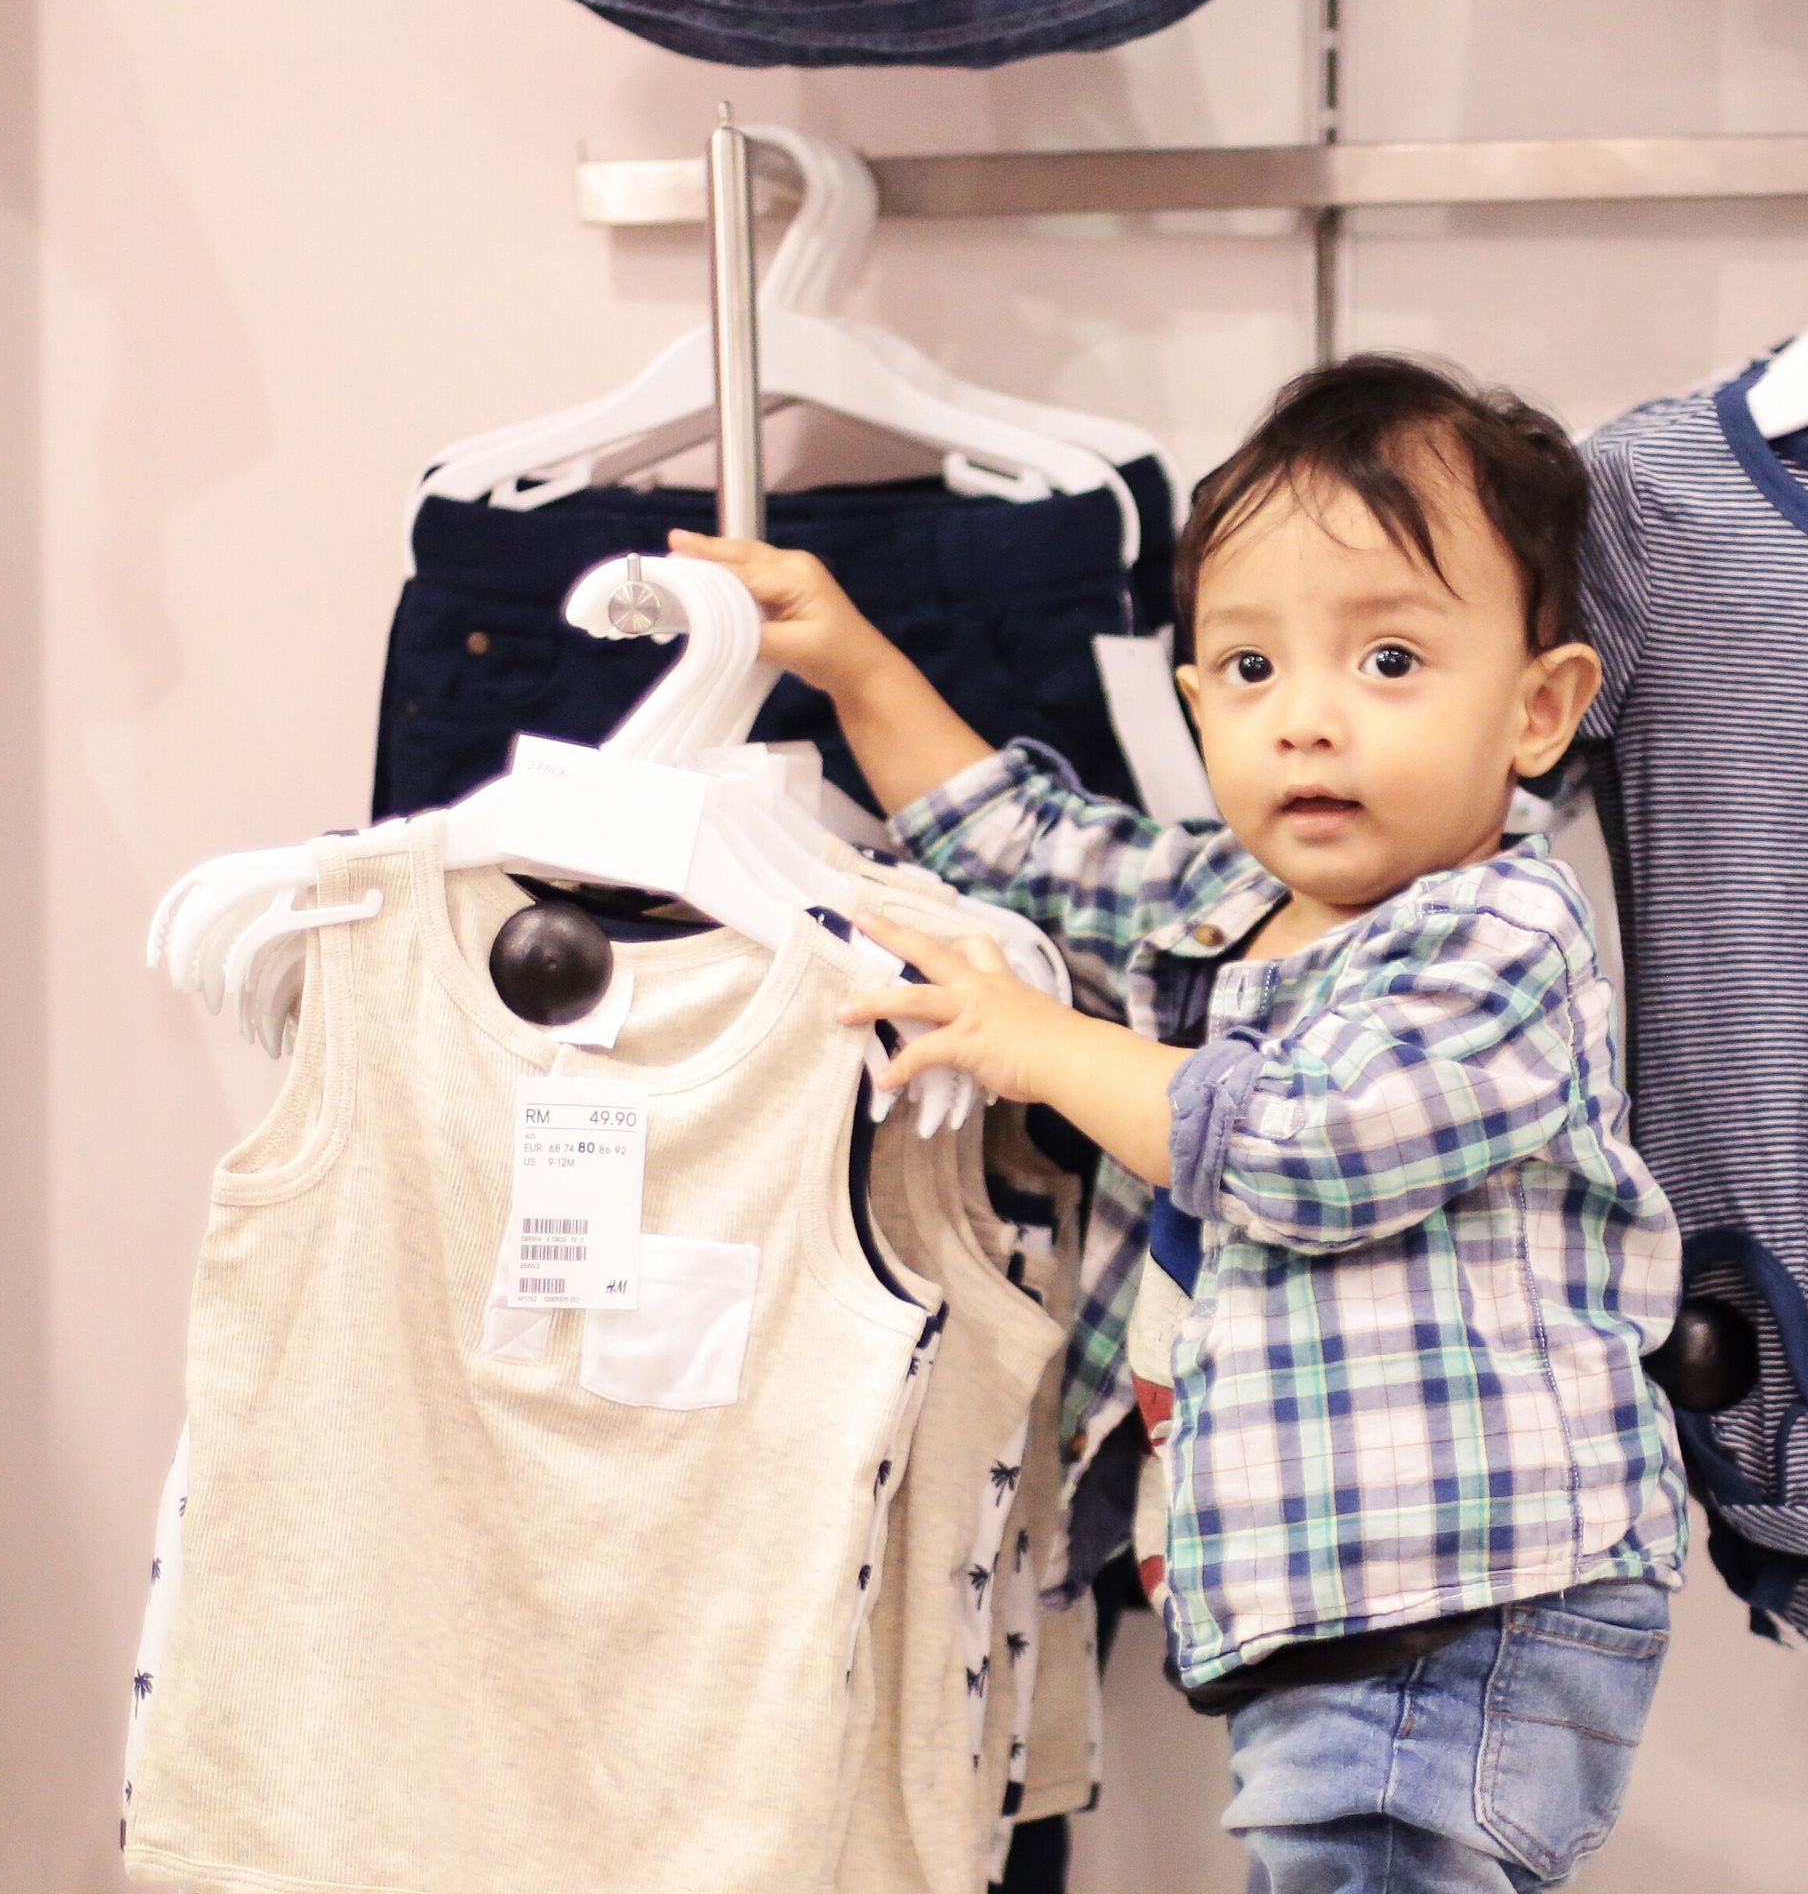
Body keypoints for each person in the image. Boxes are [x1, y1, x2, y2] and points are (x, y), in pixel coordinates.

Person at [674, 353, 1689, 1893]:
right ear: (1199, 699)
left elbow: (1305, 1148)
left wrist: (1039, 1043)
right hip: (1343, 1601)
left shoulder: (1499, 937)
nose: (1311, 725)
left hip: (1468, 1603)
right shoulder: (1232, 902)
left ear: (1540, 710)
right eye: (1256, 673)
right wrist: (858, 664)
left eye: (1392, 664)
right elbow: (1018, 841)